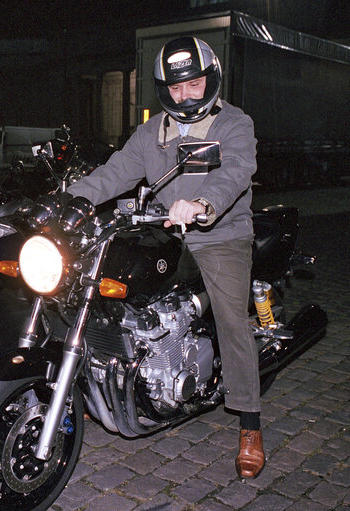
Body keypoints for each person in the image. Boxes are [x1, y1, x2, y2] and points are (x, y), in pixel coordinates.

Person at [67, 36, 264, 479]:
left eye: (193, 84)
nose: (184, 95)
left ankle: (249, 421)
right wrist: (70, 200)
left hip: (218, 235)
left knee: (232, 317)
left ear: (209, 80)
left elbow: (235, 172)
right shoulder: (151, 132)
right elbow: (115, 172)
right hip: (160, 234)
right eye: (175, 88)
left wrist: (201, 204)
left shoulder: (234, 123)